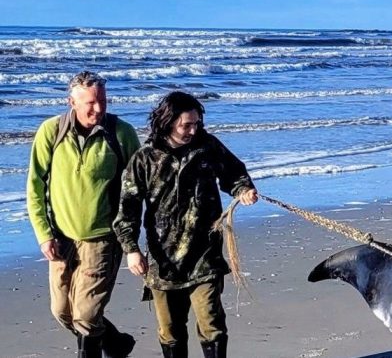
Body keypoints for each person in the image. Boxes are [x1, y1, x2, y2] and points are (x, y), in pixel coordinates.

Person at [114, 91, 258, 358]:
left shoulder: (208, 147)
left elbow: (234, 173)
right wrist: (131, 249)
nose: (193, 130)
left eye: (197, 124)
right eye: (186, 125)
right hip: (163, 260)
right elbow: (128, 208)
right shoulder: (145, 158)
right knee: (170, 330)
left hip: (205, 256)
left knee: (212, 324)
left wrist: (243, 190)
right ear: (169, 122)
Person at [26, 71, 141, 358]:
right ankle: (116, 344)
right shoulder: (51, 132)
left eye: (102, 100)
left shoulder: (121, 133)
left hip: (102, 239)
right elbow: (35, 187)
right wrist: (43, 235)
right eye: (90, 103)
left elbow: (139, 189)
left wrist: (132, 244)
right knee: (62, 312)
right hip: (61, 239)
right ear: (72, 102)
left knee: (87, 316)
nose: (99, 108)